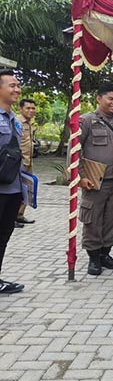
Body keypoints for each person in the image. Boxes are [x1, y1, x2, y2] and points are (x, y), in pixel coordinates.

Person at [79, 83, 113, 276]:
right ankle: (93, 258)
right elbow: (75, 151)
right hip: (94, 181)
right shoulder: (85, 121)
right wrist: (81, 177)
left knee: (112, 219)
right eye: (110, 98)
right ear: (98, 98)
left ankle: (105, 254)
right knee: (93, 219)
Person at [0, 70, 25, 294]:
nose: (17, 89)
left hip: (13, 188)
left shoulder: (14, 120)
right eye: (12, 85)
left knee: (4, 235)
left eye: (18, 85)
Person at [15, 97, 36, 227]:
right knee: (16, 191)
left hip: (28, 161)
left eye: (33, 108)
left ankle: (19, 215)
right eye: (28, 108)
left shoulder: (30, 123)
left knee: (27, 189)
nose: (31, 110)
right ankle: (11, 217)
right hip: (17, 162)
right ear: (21, 109)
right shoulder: (17, 122)